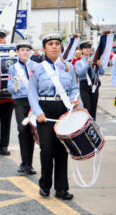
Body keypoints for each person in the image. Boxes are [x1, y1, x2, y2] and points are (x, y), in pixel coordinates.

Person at [28, 32, 79, 199]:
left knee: (62, 151)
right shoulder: (37, 68)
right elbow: (32, 93)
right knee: (47, 150)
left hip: (63, 110)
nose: (54, 46)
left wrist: (73, 100)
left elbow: (74, 88)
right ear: (44, 48)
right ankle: (45, 185)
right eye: (50, 44)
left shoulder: (68, 67)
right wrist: (38, 112)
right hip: (45, 110)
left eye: (57, 43)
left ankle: (61, 188)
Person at [7, 41, 37, 175]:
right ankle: (23, 162)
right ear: (17, 53)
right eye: (22, 50)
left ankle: (29, 164)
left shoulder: (36, 66)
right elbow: (9, 89)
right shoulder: (13, 68)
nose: (25, 52)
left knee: (32, 131)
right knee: (22, 130)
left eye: (27, 50)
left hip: (34, 101)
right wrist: (15, 85)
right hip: (20, 101)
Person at [75, 40, 105, 120]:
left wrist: (100, 65)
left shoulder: (94, 60)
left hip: (94, 84)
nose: (88, 49)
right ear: (81, 50)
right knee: (87, 107)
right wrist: (87, 64)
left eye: (89, 48)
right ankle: (88, 124)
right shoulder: (79, 62)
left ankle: (93, 125)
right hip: (84, 85)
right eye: (85, 48)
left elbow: (102, 72)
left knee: (94, 107)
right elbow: (79, 73)